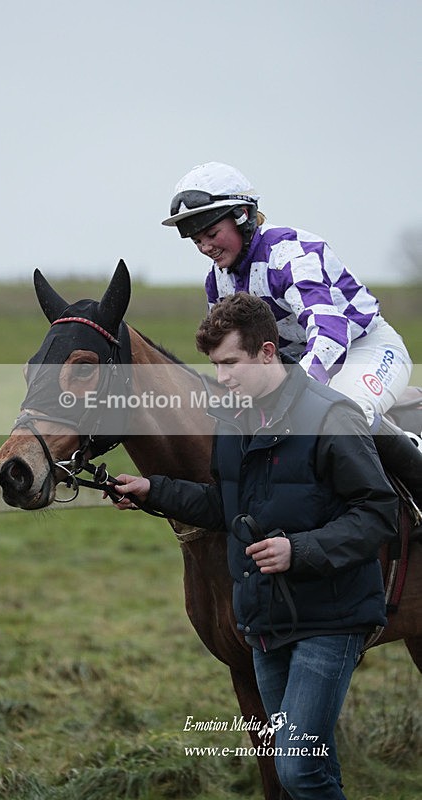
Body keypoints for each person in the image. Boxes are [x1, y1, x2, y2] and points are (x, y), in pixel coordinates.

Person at [110, 293, 398, 800]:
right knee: (310, 765)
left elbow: (377, 513)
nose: (221, 379)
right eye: (214, 366)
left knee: (298, 769)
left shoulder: (332, 417)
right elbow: (225, 505)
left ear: (268, 352)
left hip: (330, 619)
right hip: (265, 622)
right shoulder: (234, 421)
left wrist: (299, 550)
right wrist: (155, 491)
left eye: (230, 364)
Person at [161, 161, 422, 507]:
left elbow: (330, 332)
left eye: (211, 235)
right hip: (293, 361)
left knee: (345, 414)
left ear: (242, 215)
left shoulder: (290, 254)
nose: (205, 248)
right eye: (196, 240)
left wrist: (292, 391)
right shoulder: (217, 280)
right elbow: (226, 350)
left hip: (362, 347)